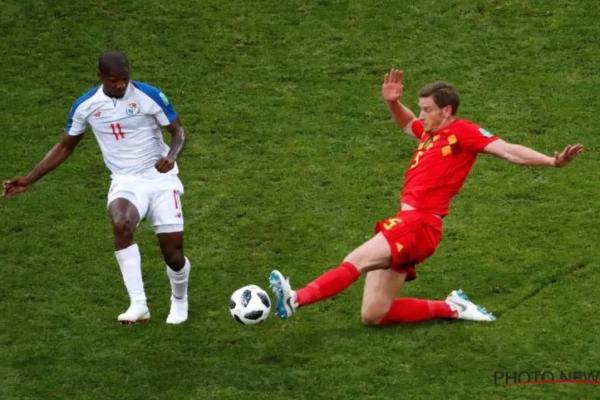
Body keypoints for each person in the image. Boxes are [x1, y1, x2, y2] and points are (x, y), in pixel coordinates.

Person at [269, 68, 583, 326]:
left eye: (428, 109)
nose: (422, 114)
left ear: (447, 111)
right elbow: (407, 124)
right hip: (413, 226)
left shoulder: (462, 131)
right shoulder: (430, 133)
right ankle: (453, 308)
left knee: (356, 260)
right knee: (374, 314)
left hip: (418, 224)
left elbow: (508, 150)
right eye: (421, 108)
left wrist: (551, 161)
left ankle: (296, 299)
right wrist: (393, 103)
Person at [2, 50, 192, 325]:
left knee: (173, 256)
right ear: (100, 77)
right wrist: (30, 179)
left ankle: (179, 300)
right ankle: (139, 304)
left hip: (160, 178)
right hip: (125, 180)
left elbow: (178, 131)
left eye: (125, 79)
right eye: (115, 80)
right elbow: (65, 146)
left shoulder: (148, 96)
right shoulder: (86, 106)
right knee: (121, 222)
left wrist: (172, 156)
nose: (121, 85)